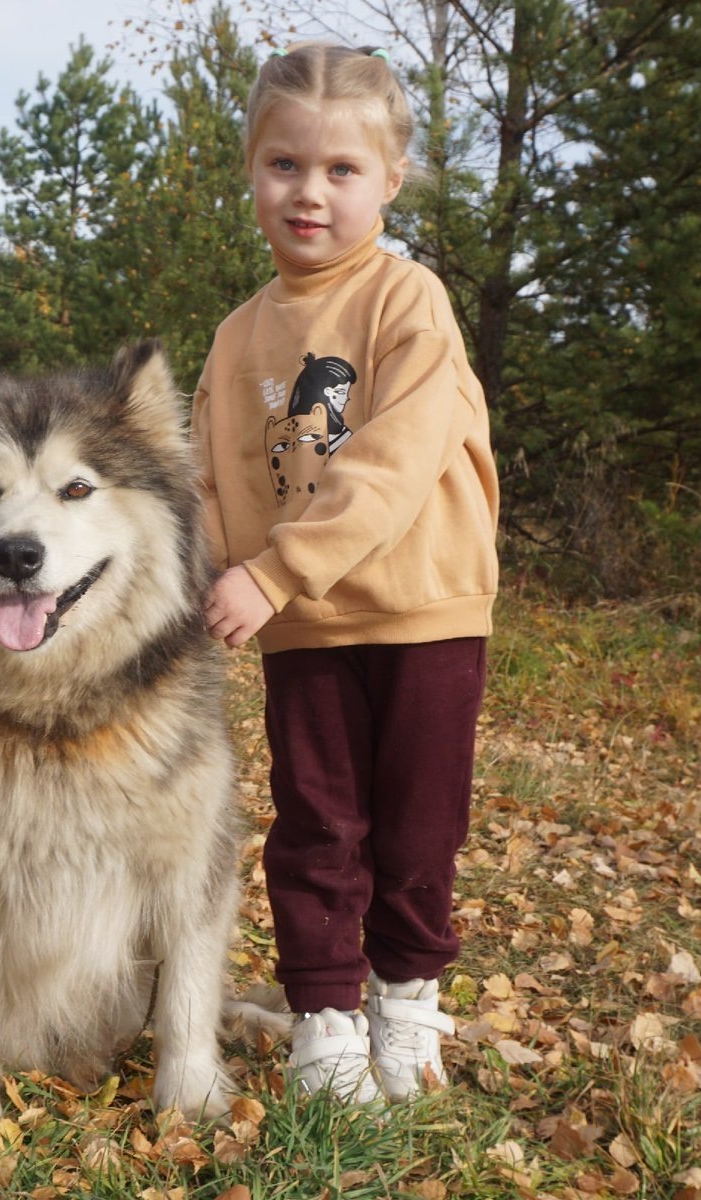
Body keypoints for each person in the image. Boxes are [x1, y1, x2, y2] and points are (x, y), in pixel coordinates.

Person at [192, 41, 499, 1109]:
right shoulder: (237, 337)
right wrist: (215, 570)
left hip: (423, 610)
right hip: (303, 623)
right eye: (284, 164)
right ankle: (323, 1017)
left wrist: (277, 568)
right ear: (251, 168)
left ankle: (404, 998)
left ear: (391, 179)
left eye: (341, 170)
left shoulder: (408, 302)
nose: (309, 193)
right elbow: (212, 477)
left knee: (418, 827)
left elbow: (394, 462)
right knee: (318, 823)